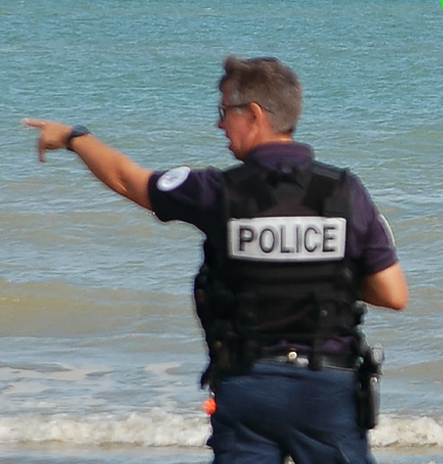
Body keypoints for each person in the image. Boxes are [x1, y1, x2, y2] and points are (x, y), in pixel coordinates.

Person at [24, 56, 408, 464]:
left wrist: (73, 137)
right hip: (328, 391)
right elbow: (393, 293)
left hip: (249, 389)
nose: (219, 124)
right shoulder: (345, 193)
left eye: (224, 112)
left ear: (254, 114)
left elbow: (127, 179)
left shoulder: (217, 191)